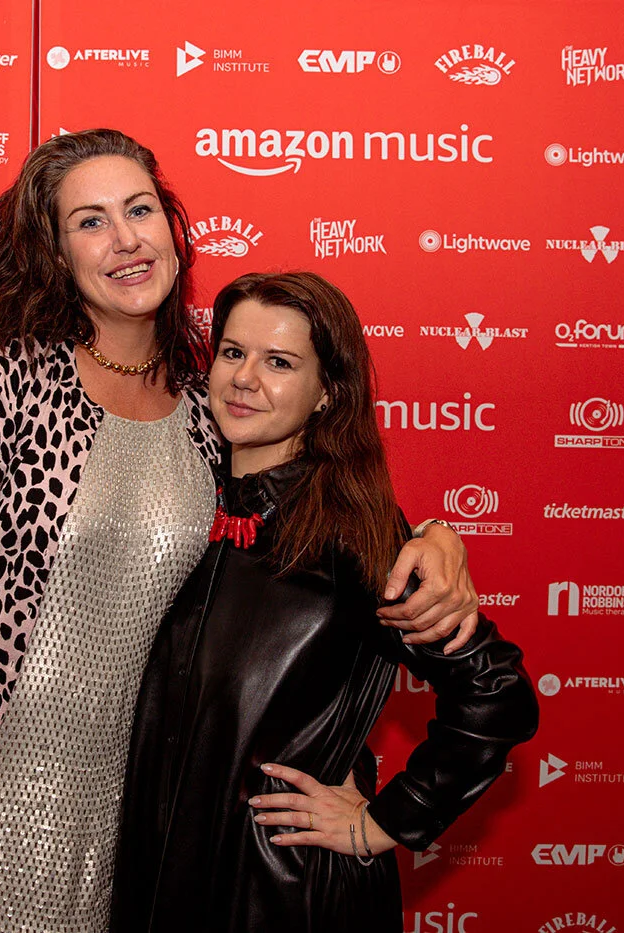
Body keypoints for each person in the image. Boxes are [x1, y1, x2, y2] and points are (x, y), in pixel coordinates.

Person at [0, 130, 479, 932]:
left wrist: (435, 534)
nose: (125, 239)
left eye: (140, 210)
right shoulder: (4, 378)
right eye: (90, 221)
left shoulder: (205, 405)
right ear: (55, 252)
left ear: (171, 226)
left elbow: (312, 492)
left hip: (144, 795)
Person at [112, 272, 540, 933]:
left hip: (283, 894)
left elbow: (497, 692)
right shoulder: (191, 504)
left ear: (326, 393)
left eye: (279, 363)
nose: (244, 378)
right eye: (233, 352)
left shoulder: (349, 532)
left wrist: (383, 823)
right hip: (171, 879)